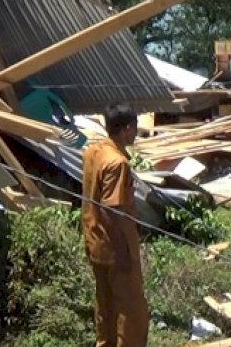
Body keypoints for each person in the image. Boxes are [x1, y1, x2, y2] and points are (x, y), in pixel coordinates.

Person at [81, 102, 149, 347]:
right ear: (127, 128)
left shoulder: (92, 152)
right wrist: (123, 253)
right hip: (115, 246)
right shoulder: (117, 163)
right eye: (135, 128)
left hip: (95, 240)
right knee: (131, 311)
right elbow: (113, 207)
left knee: (105, 304)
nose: (136, 133)